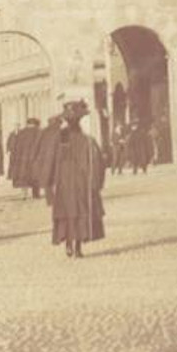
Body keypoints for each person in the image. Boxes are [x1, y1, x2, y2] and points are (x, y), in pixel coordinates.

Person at [46, 100, 106, 258]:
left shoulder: (59, 141)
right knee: (80, 213)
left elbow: (50, 161)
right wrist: (97, 184)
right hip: (82, 183)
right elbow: (98, 163)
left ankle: (68, 244)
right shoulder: (88, 141)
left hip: (64, 184)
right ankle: (78, 247)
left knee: (66, 213)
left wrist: (49, 183)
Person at [8, 118, 42, 198]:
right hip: (35, 158)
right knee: (35, 176)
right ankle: (36, 194)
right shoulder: (39, 132)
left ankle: (24, 194)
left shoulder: (21, 133)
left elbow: (15, 147)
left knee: (23, 176)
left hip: (23, 159)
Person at [33, 115, 64, 203]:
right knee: (58, 178)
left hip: (45, 159)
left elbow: (37, 145)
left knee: (47, 179)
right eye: (59, 123)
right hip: (57, 158)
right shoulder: (60, 132)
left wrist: (35, 157)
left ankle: (50, 199)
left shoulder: (43, 132)